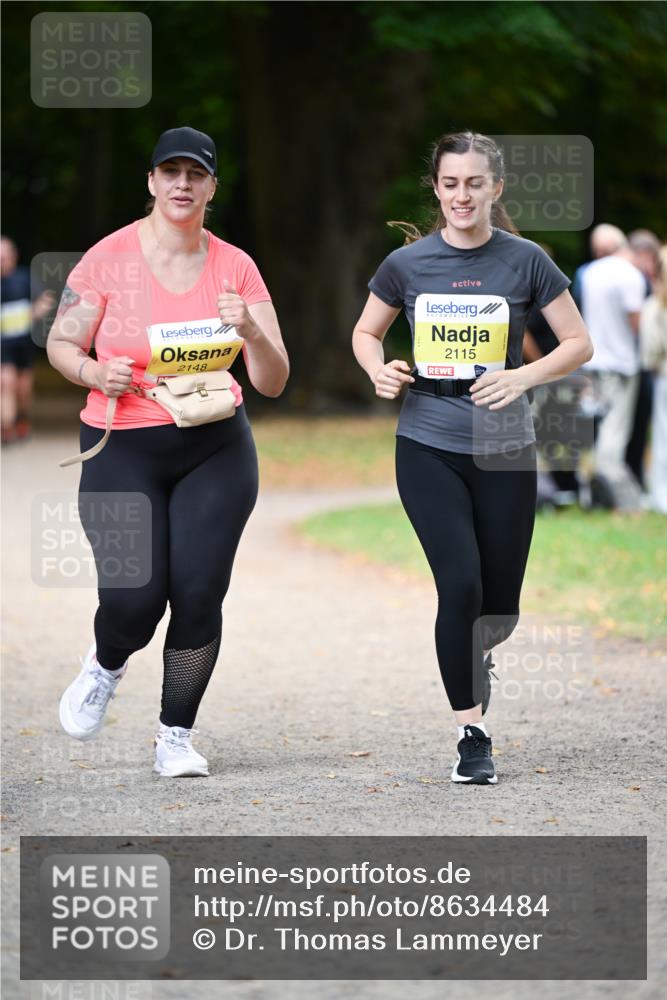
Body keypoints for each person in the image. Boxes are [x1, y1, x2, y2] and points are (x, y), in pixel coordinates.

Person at [352, 131, 592, 785]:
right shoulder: (407, 265)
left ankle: (474, 651)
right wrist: (378, 368)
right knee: (459, 585)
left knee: (498, 609)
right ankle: (472, 733)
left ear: (495, 188)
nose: (462, 195)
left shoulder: (526, 261)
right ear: (435, 188)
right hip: (426, 440)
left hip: (504, 446)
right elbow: (365, 331)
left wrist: (522, 377)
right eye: (450, 183)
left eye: (474, 183)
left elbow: (577, 343)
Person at [47, 127, 289, 777]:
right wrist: (95, 374)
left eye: (196, 173)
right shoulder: (106, 258)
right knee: (133, 599)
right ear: (151, 181)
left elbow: (272, 379)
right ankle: (104, 664)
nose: (182, 183)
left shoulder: (235, 266)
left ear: (212, 186)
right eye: (170, 171)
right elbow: (62, 345)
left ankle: (175, 735)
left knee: (200, 592)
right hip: (120, 441)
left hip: (216, 447)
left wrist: (251, 332)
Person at [580, 231, 647, 510]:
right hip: (620, 365)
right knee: (614, 432)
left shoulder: (589, 273)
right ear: (624, 247)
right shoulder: (629, 274)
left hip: (592, 362)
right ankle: (623, 499)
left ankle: (591, 493)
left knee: (595, 429)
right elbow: (636, 323)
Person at [1, 236, 55, 443]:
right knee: (5, 382)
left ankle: (21, 418)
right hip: (2, 344)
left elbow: (46, 298)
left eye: (4, 257)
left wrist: (32, 314)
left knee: (22, 387)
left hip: (23, 343)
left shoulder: (24, 277)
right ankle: (5, 427)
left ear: (13, 257)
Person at [640, 244, 667, 513]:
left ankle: (662, 496)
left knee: (662, 434)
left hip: (664, 376)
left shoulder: (655, 307)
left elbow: (650, 351)